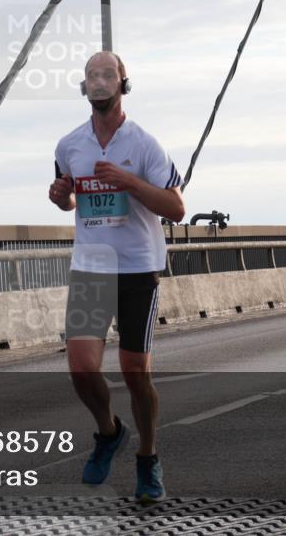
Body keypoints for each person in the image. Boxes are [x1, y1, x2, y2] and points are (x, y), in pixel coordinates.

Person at [49, 50, 185, 503]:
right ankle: (109, 432)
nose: (99, 81)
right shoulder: (69, 145)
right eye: (92, 75)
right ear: (83, 87)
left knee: (134, 372)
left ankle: (148, 458)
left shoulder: (144, 144)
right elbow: (70, 199)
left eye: (108, 74)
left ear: (124, 83)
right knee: (81, 368)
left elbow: (176, 208)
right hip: (92, 267)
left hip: (137, 266)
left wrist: (130, 184)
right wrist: (61, 196)